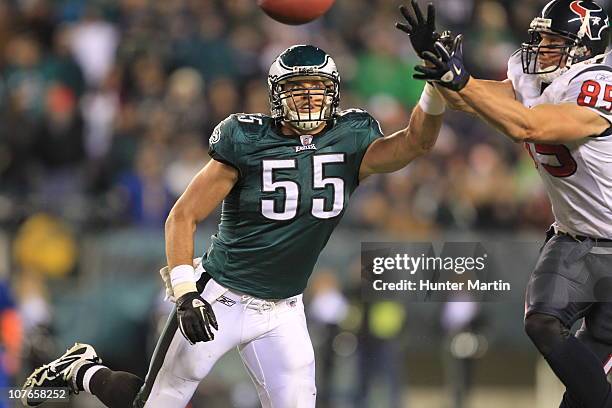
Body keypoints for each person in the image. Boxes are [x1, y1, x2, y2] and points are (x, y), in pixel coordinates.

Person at [21, 41, 447, 408]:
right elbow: (182, 216)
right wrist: (186, 293)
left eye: (316, 90)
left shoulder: (352, 139)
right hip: (221, 295)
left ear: (333, 93)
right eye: (296, 90)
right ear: (276, 96)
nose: (308, 100)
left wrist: (434, 87)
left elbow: (417, 141)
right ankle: (82, 369)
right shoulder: (247, 140)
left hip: (284, 308)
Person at [398, 0, 612, 407]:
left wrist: (462, 82)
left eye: (554, 40)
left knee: (583, 395)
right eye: (540, 36)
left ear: (586, 47)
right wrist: (441, 65)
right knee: (543, 324)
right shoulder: (536, 78)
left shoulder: (599, 83)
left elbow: (528, 125)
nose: (541, 46)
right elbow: (475, 98)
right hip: (572, 238)